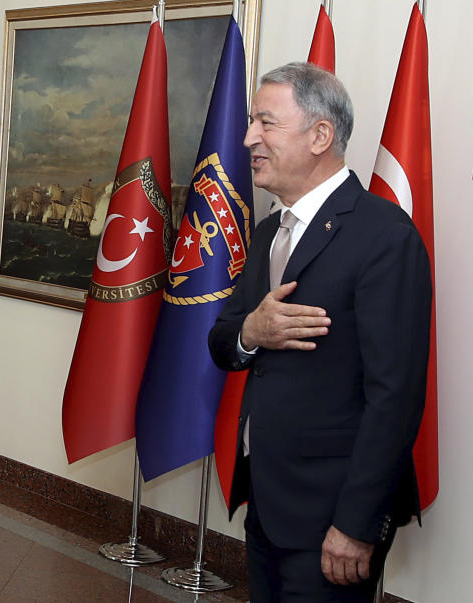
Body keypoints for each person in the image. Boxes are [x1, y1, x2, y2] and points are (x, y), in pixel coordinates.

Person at [208, 62, 432, 602]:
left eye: (265, 123)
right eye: (249, 124)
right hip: (266, 501)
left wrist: (357, 525)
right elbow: (222, 342)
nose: (248, 139)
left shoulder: (384, 237)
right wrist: (253, 331)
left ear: (320, 135)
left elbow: (394, 397)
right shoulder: (268, 232)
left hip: (333, 516)